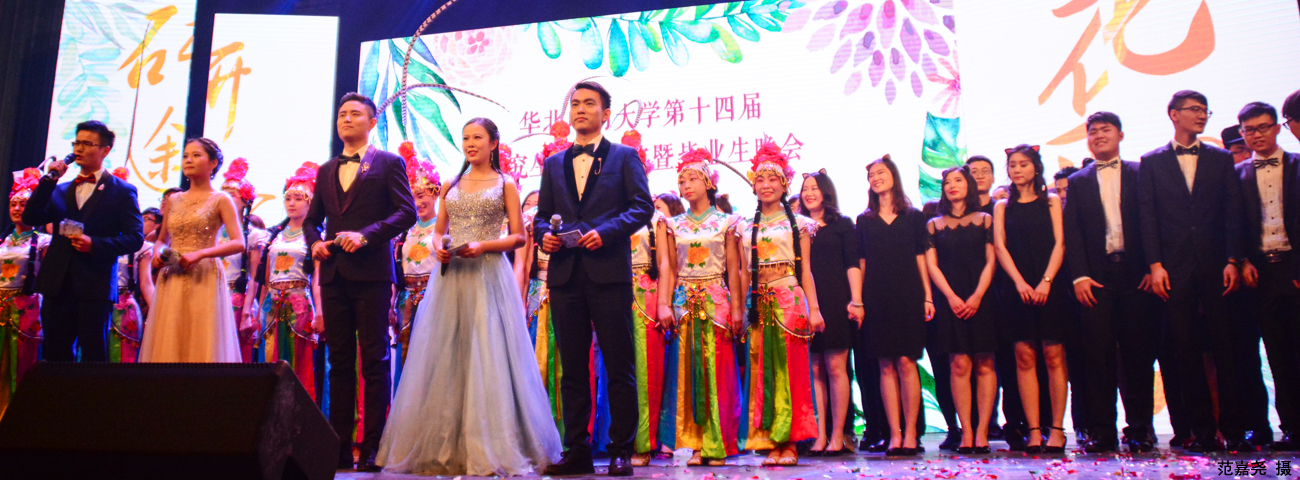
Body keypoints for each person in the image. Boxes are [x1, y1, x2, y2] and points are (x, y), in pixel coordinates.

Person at [377, 118, 561, 476]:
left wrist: (484, 245)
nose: (470, 144)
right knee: (447, 354)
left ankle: (490, 444)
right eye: (465, 138)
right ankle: (446, 444)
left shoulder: (506, 183)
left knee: (487, 353)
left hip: (488, 275)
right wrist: (439, 248)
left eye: (477, 137)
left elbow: (519, 237)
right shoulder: (451, 183)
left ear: (493, 143)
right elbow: (439, 231)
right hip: (451, 278)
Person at [534, 81, 654, 477]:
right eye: (575, 103)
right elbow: (541, 217)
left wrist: (607, 231)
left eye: (589, 103)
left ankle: (621, 449)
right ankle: (577, 450)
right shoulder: (553, 163)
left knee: (619, 364)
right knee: (572, 367)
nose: (580, 109)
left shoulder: (624, 156)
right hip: (565, 276)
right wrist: (544, 236)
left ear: (606, 114)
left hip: (608, 273)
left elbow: (642, 207)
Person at [306, 93, 416, 471]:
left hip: (371, 274)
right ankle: (338, 447)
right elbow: (311, 220)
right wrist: (315, 242)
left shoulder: (388, 162)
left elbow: (406, 212)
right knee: (338, 362)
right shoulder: (325, 169)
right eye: (342, 114)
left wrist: (367, 235)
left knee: (374, 359)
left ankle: (372, 446)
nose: (347, 119)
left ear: (371, 123)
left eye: (355, 114)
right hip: (334, 274)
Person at [1139, 90, 1244, 452]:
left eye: (1205, 111)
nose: (1201, 116)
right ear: (1174, 114)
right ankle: (1202, 431)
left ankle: (1234, 429)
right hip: (1174, 269)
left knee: (1225, 349)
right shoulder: (1151, 162)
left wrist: (1233, 260)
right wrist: (1155, 265)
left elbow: (1233, 211)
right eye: (1194, 110)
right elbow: (1148, 217)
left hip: (1217, 267)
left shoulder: (1220, 158)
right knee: (1185, 351)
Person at [1062, 112, 1160, 453]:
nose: (1099, 135)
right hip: (1096, 279)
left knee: (1137, 356)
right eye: (1093, 131)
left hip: (1137, 276)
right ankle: (1103, 431)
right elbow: (1073, 232)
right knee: (1098, 357)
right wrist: (1079, 275)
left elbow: (1152, 222)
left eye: (1106, 130)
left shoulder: (1140, 172)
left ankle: (1140, 429)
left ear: (1120, 135)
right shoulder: (1078, 181)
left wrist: (1152, 266)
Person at [22, 120, 144, 363]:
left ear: (105, 150)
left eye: (87, 144)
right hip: (56, 284)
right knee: (55, 356)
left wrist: (95, 244)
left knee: (93, 357)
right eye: (76, 143)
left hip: (94, 285)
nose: (78, 149)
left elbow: (135, 238)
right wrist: (48, 182)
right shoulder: (59, 189)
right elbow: (31, 218)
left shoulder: (122, 191)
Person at [655, 148, 743, 466]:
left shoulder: (727, 222)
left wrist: (737, 309)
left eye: (693, 179)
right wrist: (663, 304)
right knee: (689, 374)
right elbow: (667, 267)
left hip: (716, 302)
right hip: (684, 304)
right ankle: (695, 445)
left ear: (709, 182)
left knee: (718, 373)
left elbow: (733, 269)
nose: (686, 185)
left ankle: (717, 443)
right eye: (682, 181)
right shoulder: (672, 224)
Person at [738, 142, 824, 465]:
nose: (766, 185)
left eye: (773, 179)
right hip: (758, 303)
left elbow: (806, 270)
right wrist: (740, 309)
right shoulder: (744, 227)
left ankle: (790, 443)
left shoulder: (799, 224)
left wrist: (814, 310)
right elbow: (744, 273)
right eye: (760, 179)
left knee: (791, 371)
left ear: (785, 184)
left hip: (789, 300)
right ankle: (770, 440)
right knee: (763, 371)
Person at [138, 137, 245, 362]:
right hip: (172, 274)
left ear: (213, 163)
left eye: (196, 155)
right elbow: (161, 240)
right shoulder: (174, 199)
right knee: (170, 335)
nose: (188, 160)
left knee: (201, 335)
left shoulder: (221, 199)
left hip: (204, 274)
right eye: (186, 156)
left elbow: (238, 242)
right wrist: (159, 254)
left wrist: (201, 253)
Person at [993, 144, 1070, 454]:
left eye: (1023, 164)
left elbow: (1060, 244)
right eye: (1012, 165)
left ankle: (1058, 429)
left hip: (1049, 284)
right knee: (1024, 357)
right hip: (1018, 287)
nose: (1017, 169)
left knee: (1054, 355)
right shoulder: (1002, 206)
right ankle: (1034, 430)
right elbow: (1000, 247)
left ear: (1036, 167)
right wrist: (1020, 283)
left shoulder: (1051, 201)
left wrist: (1046, 282)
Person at [1234, 102, 1300, 451]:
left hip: (1294, 267)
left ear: (1277, 128)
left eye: (1263, 127)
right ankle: (1291, 428)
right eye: (1250, 130)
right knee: (1276, 354)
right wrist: (1242, 260)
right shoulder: (1237, 174)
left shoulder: (1298, 164)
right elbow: (1233, 224)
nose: (1257, 135)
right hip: (1260, 274)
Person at [857, 155, 932, 457]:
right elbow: (862, 262)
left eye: (881, 173)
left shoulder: (913, 216)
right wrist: (859, 300)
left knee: (906, 362)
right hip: (876, 297)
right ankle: (895, 434)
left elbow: (920, 258)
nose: (876, 178)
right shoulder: (864, 220)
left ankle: (911, 432)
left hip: (908, 295)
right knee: (885, 365)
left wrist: (927, 296)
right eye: (871, 175)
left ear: (893, 176)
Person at [925, 166, 997, 454]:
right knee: (959, 365)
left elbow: (992, 261)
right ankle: (966, 431)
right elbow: (932, 266)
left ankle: (982, 432)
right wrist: (951, 297)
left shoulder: (986, 219)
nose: (952, 185)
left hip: (982, 297)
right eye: (947, 182)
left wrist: (977, 296)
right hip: (950, 300)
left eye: (958, 180)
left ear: (969, 185)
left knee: (984, 363)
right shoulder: (934, 224)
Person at [799, 169, 862, 456]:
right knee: (814, 370)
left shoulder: (842, 224)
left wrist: (856, 300)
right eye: (805, 189)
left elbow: (852, 264)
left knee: (836, 368)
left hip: (837, 301)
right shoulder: (797, 226)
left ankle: (839, 434)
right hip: (806, 302)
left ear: (826, 191)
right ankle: (820, 434)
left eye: (814, 188)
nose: (809, 193)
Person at [619, 130, 673, 466]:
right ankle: (618, 441)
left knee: (647, 370)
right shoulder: (610, 213)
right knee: (616, 370)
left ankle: (644, 442)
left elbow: (665, 264)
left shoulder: (656, 219)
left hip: (648, 297)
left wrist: (664, 303)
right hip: (614, 294)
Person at [248, 162, 324, 399]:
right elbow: (265, 278)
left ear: (310, 202)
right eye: (288, 198)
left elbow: (317, 278)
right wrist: (258, 310)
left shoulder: (316, 237)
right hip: (271, 305)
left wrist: (320, 312)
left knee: (300, 363)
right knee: (268, 360)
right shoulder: (274, 235)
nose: (291, 203)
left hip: (300, 303)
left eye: (298, 198)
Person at [0, 168, 50, 417]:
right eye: (14, 204)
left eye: (24, 204)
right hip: (1, 306)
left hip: (27, 309)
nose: (18, 208)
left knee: (23, 365)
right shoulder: (3, 241)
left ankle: (19, 417)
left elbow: (48, 280)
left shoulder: (43, 241)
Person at [391, 142, 440, 387]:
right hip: (406, 301)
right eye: (412, 198)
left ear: (435, 193)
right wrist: (390, 306)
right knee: (407, 358)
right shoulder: (403, 232)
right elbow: (395, 272)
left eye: (421, 196)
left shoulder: (445, 228)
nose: (417, 203)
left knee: (435, 358)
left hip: (437, 298)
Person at [222, 158, 269, 362]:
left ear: (245, 201)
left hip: (238, 300)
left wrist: (247, 313)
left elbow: (255, 278)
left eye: (232, 194)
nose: (225, 198)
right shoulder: (211, 233)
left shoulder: (254, 235)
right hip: (211, 297)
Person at [108, 168, 154, 364]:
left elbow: (146, 284)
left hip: (125, 308)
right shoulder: (93, 239)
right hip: (94, 302)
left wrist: (159, 312)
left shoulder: (141, 246)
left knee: (123, 360)